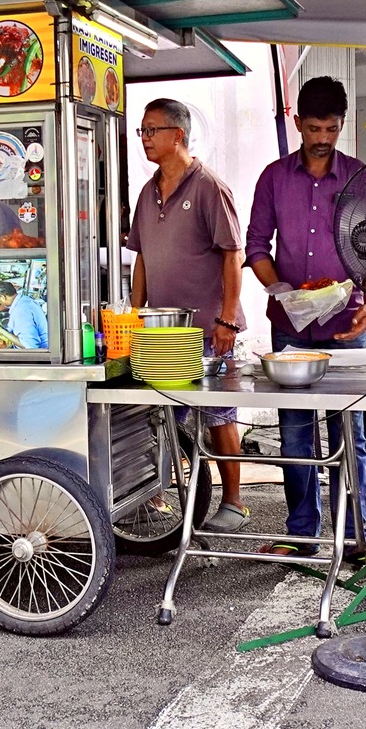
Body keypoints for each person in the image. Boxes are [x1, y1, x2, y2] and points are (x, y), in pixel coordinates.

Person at [245, 76, 366, 553]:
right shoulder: (274, 177)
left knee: (350, 432)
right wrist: (280, 289)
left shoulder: (360, 177)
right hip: (290, 327)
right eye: (314, 128)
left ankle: (354, 533)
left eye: (331, 129)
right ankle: (302, 534)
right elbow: (256, 244)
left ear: (342, 125)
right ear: (297, 123)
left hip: (346, 326)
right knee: (295, 432)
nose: (322, 139)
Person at [125, 98, 251, 534]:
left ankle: (234, 502)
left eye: (151, 130)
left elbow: (233, 255)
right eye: (141, 131)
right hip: (163, 332)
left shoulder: (208, 186)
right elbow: (140, 257)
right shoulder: (147, 192)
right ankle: (158, 495)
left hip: (211, 327)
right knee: (161, 416)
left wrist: (228, 318)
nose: (144, 138)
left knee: (219, 415)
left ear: (178, 134)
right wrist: (134, 314)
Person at [0, 280, 48, 350]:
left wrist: (2, 332)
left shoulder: (20, 311)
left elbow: (31, 346)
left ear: (3, 297)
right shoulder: (23, 299)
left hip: (40, 353)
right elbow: (6, 306)